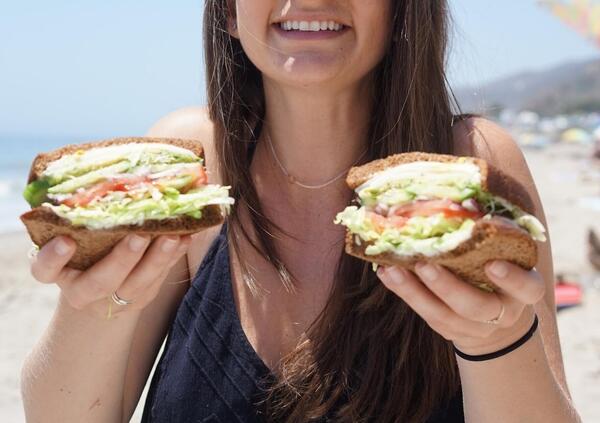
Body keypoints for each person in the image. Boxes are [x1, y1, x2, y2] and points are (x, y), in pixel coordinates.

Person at [21, 1, 581, 422]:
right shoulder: (188, 164)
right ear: (230, 14)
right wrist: (89, 307)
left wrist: (493, 341)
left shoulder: (472, 169)